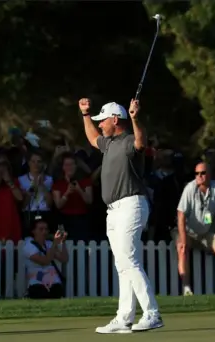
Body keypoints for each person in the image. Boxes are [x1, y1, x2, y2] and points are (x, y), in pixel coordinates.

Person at [79, 98, 163, 333]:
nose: (101, 124)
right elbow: (92, 138)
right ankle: (124, 317)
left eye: (102, 120)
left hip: (131, 204)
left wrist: (135, 118)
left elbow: (140, 142)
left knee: (129, 259)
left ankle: (152, 313)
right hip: (113, 210)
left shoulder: (127, 142)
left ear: (115, 119)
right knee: (122, 264)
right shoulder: (109, 142)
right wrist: (85, 115)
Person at [173, 161, 215, 295]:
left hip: (206, 233)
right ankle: (186, 288)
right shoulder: (190, 188)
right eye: (197, 173)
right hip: (188, 232)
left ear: (210, 175)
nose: (199, 176)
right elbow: (181, 215)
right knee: (182, 249)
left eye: (203, 173)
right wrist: (183, 240)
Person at [23, 217, 68, 299]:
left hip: (53, 283)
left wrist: (63, 242)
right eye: (41, 229)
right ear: (33, 231)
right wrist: (54, 244)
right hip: (37, 283)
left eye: (46, 229)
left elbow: (64, 259)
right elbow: (45, 261)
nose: (44, 232)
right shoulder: (29, 245)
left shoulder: (49, 244)